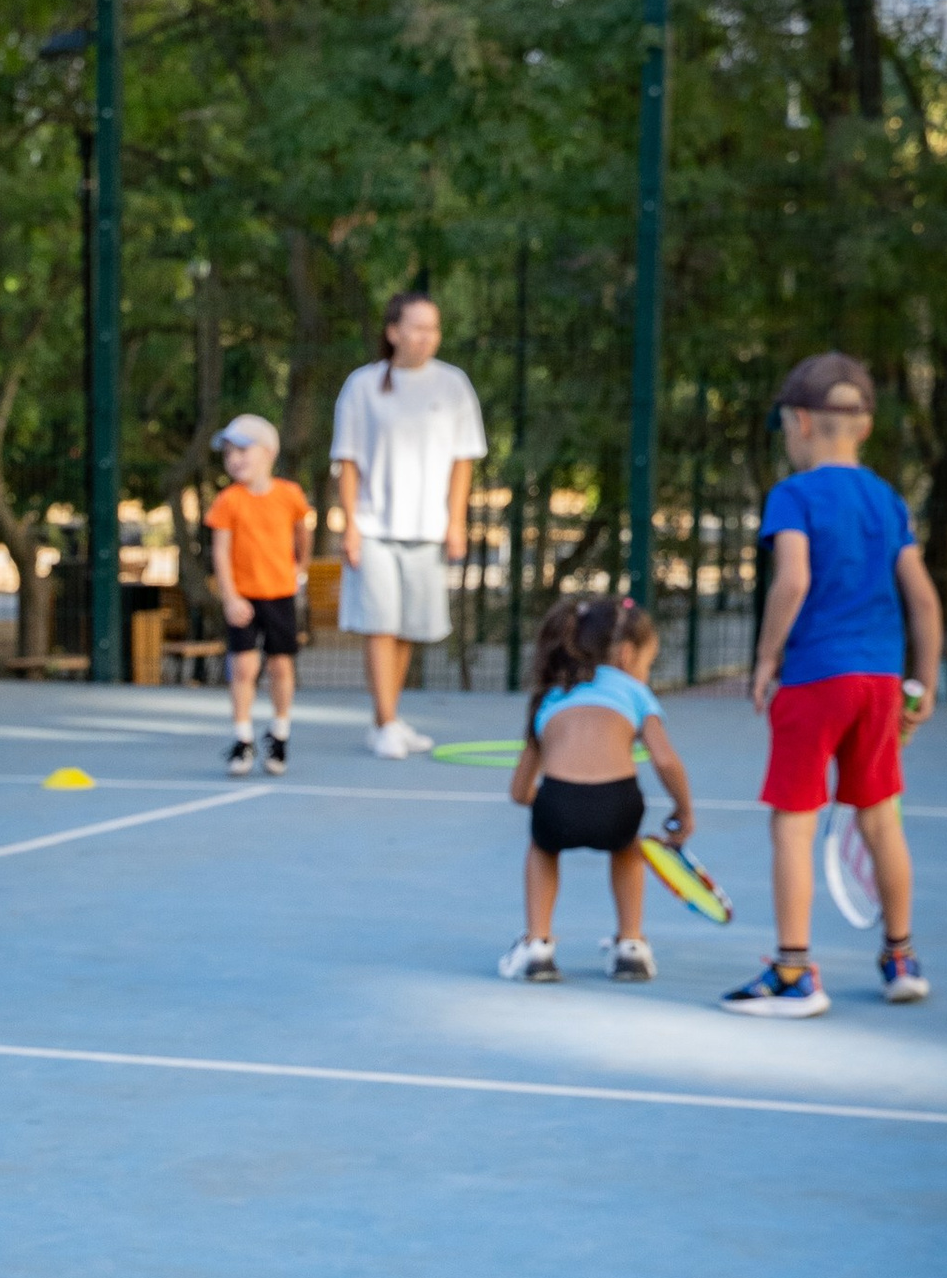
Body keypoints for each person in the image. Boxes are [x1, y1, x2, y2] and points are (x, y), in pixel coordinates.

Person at [723, 351, 942, 1016]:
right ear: (865, 426)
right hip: (880, 682)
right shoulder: (887, 499)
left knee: (793, 824)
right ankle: (900, 958)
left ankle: (794, 973)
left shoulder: (793, 495)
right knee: (880, 818)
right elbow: (924, 600)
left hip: (816, 678)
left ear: (799, 421)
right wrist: (924, 683)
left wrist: (766, 658)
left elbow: (793, 580)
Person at [498, 595, 696, 984]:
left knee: (543, 847)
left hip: (557, 802)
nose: (645, 672)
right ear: (626, 655)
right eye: (647, 663)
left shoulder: (551, 695)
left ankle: (537, 945)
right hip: (618, 803)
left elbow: (519, 792)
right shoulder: (635, 693)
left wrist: (556, 800)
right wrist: (684, 810)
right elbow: (665, 760)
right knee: (627, 848)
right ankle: (631, 946)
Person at [329, 292, 488, 758]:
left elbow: (463, 461)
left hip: (428, 531)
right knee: (379, 625)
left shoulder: (454, 385)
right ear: (393, 331)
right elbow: (347, 461)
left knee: (406, 630)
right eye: (417, 327)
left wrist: (456, 523)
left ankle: (391, 718)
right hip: (373, 528)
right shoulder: (362, 386)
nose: (426, 337)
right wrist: (351, 525)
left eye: (433, 328)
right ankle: (384, 723)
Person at [206, 413, 311, 774]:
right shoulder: (228, 501)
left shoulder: (289, 495)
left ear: (268, 452)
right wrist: (230, 597)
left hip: (280, 595)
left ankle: (279, 735)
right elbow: (220, 553)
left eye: (242, 450)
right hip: (244, 598)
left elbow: (302, 532)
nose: (234, 459)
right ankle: (242, 739)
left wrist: (301, 567)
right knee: (244, 666)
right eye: (228, 453)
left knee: (281, 665)